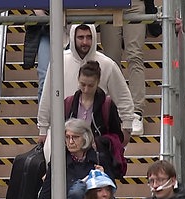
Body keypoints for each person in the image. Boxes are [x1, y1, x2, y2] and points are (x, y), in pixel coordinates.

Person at [37, 23, 136, 161]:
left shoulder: (107, 64)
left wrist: (127, 126)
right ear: (73, 38)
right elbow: (47, 97)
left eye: (89, 37)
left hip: (96, 136)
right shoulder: (59, 61)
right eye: (81, 37)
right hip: (63, 133)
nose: (85, 42)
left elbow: (123, 97)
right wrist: (43, 128)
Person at [65, 60, 125, 178]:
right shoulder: (69, 103)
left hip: (98, 156)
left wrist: (99, 141)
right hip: (73, 155)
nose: (86, 89)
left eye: (90, 85)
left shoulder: (107, 105)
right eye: (82, 84)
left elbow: (118, 136)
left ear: (98, 82)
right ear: (78, 80)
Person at [100, 0, 146, 135]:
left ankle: (136, 112)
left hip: (134, 4)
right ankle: (115, 110)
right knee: (111, 60)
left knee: (135, 55)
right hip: (107, 6)